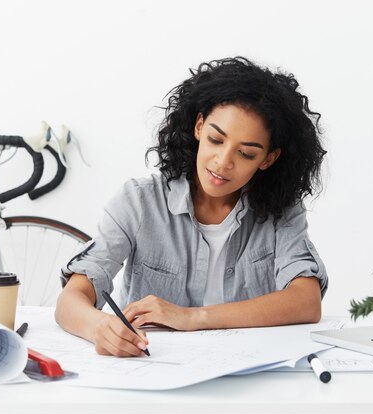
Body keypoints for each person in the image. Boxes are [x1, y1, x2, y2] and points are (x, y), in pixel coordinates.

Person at [55, 56, 328, 357]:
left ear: (268, 159)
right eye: (215, 139)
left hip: (245, 372)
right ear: (199, 127)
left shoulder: (281, 211)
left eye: (247, 153)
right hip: (151, 370)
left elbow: (306, 301)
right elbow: (71, 300)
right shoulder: (140, 202)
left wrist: (192, 317)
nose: (223, 162)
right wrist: (99, 328)